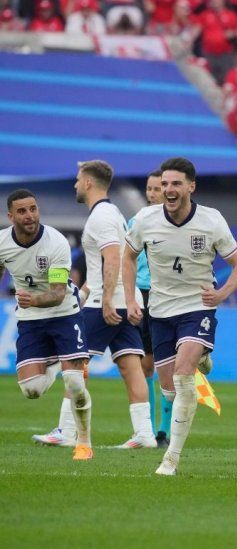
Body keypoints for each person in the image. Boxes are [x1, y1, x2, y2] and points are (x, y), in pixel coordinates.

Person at [123, 157, 237, 475]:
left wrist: (221, 295)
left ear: (191, 186)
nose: (168, 189)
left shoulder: (211, 221)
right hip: (160, 311)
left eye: (176, 183)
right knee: (169, 389)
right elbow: (127, 256)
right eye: (164, 184)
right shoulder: (146, 220)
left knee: (182, 378)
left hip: (197, 307)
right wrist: (130, 297)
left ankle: (171, 459)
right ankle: (203, 357)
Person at [1, 190, 93, 460]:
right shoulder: (3, 243)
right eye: (22, 211)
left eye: (33, 209)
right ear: (11, 216)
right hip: (30, 319)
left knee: (75, 382)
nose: (29, 215)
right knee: (32, 390)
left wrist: (33, 299)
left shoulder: (55, 242)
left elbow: (57, 293)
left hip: (64, 313)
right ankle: (57, 361)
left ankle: (84, 443)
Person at [74, 160, 155, 448]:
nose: (75, 184)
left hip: (105, 302)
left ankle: (67, 429)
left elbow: (112, 257)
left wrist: (106, 299)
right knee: (130, 365)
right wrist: (84, 293)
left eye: (78, 178)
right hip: (117, 298)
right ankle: (145, 434)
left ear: (88, 183)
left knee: (74, 361)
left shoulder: (101, 216)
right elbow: (102, 265)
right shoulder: (112, 212)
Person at [130, 170, 170, 448]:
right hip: (143, 293)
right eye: (150, 188)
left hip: (168, 294)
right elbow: (126, 259)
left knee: (169, 364)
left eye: (158, 188)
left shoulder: (176, 221)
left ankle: (165, 430)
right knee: (146, 364)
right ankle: (151, 429)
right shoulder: (137, 221)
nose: (154, 193)